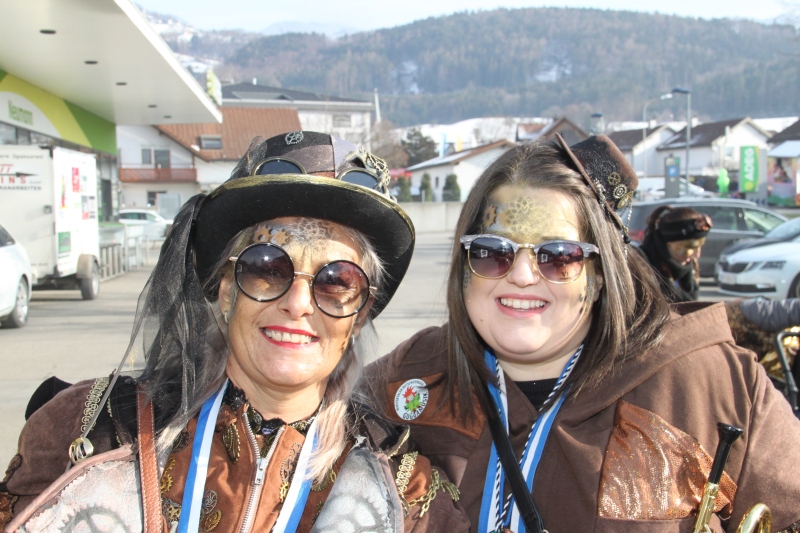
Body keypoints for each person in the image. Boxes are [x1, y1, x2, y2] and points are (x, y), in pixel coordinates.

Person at [0, 132, 466, 532]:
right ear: (225, 290)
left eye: (336, 281)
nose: (298, 303)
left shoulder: (405, 488)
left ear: (359, 313)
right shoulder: (92, 430)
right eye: (267, 269)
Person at [367, 135, 800, 532]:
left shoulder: (717, 386)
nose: (521, 275)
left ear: (601, 271)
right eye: (492, 251)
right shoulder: (403, 379)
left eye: (558, 256)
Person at [637, 205, 712, 302]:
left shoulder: (687, 272)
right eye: (689, 247)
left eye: (699, 246)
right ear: (667, 244)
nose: (697, 255)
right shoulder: (640, 268)